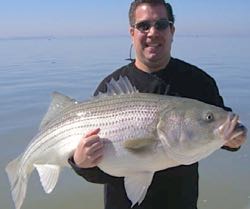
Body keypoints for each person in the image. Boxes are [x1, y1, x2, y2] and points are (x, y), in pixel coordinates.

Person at [68, 1, 246, 209]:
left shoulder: (199, 82)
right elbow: (99, 172)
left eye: (161, 24)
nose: (152, 32)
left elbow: (226, 128)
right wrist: (79, 163)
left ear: (172, 30)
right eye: (144, 26)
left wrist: (236, 137)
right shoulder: (109, 87)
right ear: (132, 32)